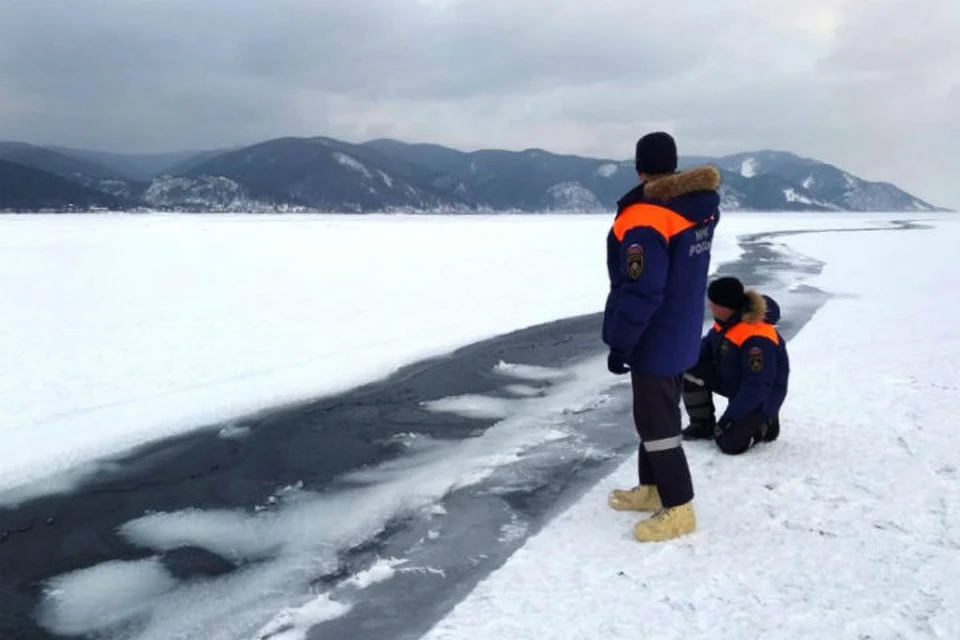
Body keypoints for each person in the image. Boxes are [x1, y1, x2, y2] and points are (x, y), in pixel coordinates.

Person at [602, 131, 722, 542]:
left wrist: (621, 340)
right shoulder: (697, 207)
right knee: (657, 413)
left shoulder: (646, 217)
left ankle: (679, 506)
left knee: (657, 423)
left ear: (639, 168)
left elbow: (642, 288)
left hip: (654, 334)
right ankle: (651, 488)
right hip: (682, 327)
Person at [681, 276, 790, 453]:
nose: (710, 306)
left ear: (725, 306)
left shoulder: (757, 338)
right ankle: (702, 425)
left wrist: (730, 418)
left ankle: (766, 425)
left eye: (713, 302)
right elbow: (700, 353)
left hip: (763, 395)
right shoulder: (724, 324)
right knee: (690, 369)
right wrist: (673, 361)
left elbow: (758, 385)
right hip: (737, 383)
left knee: (729, 444)